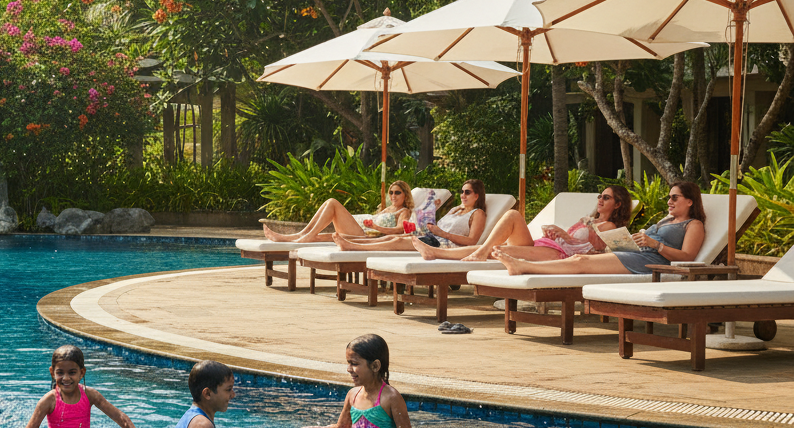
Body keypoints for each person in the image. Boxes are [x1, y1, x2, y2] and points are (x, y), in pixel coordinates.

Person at [494, 182, 707, 276]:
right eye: (669, 197)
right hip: (635, 253)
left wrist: (655, 244)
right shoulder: (664, 221)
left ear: (689, 201)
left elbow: (688, 255)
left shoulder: (693, 224)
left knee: (581, 261)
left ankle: (523, 267)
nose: (669, 200)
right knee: (578, 261)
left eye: (674, 197)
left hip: (652, 261)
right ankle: (522, 266)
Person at [289, 334, 413, 428]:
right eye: (348, 363)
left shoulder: (390, 397)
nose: (349, 369)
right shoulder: (352, 395)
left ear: (375, 366)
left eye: (354, 363)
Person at [413, 185, 633, 263]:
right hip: (548, 246)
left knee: (495, 249)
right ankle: (437, 252)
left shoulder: (611, 228)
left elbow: (595, 251)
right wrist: (556, 233)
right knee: (512, 216)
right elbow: (571, 239)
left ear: (617, 205)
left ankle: (437, 253)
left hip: (560, 256)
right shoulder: (589, 219)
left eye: (606, 198)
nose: (600, 200)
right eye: (600, 196)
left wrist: (564, 237)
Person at [18, 345, 140, 428]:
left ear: (82, 372)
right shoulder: (49, 400)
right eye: (60, 373)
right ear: (52, 372)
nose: (66, 378)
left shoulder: (90, 395)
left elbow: (119, 416)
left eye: (72, 372)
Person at [330, 179, 489, 252]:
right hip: (433, 237)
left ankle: (352, 246)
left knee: (397, 240)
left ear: (477, 195)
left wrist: (442, 233)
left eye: (467, 192)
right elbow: (437, 226)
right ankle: (350, 241)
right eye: (462, 192)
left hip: (444, 245)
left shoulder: (478, 213)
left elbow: (472, 241)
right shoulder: (455, 210)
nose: (462, 195)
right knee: (389, 238)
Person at [261, 181, 415, 243]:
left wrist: (377, 228)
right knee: (319, 234)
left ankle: (305, 237)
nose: (393, 196)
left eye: (397, 193)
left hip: (364, 235)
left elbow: (400, 230)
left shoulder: (404, 212)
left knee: (333, 202)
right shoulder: (387, 209)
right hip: (360, 231)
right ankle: (289, 237)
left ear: (405, 195)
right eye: (391, 192)